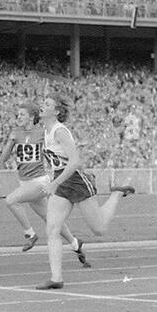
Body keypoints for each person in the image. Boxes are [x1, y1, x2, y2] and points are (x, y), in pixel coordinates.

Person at [36, 94, 134, 290]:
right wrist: (54, 180)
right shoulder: (45, 131)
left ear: (56, 111)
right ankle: (56, 278)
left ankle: (116, 194)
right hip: (61, 181)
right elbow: (58, 162)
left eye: (47, 104)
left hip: (76, 180)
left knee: (99, 229)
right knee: (52, 228)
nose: (42, 105)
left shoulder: (60, 131)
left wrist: (55, 183)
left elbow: (74, 162)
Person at [0, 102, 89, 266]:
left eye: (22, 115)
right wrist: (10, 142)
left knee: (11, 200)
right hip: (25, 182)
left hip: (39, 181)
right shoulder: (16, 133)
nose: (18, 117)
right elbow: (3, 158)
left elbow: (57, 147)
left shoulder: (42, 132)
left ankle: (30, 234)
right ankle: (75, 244)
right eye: (17, 115)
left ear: (32, 117)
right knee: (51, 220)